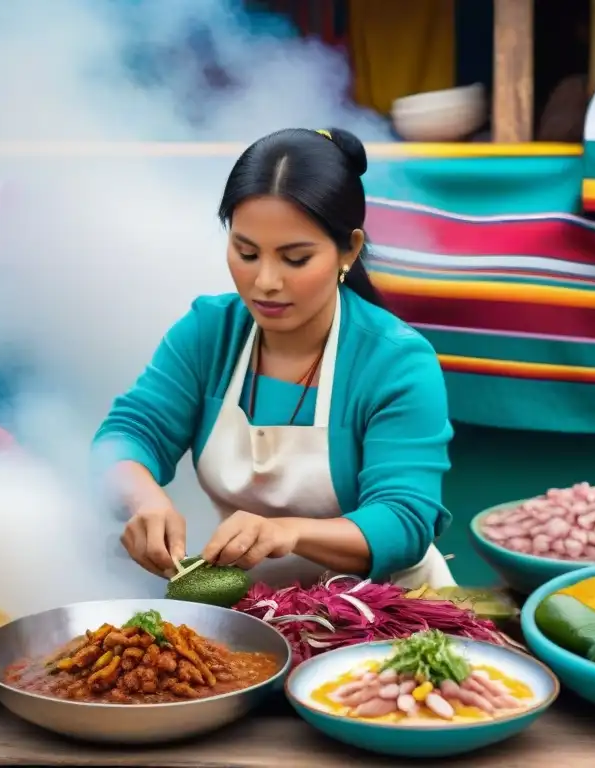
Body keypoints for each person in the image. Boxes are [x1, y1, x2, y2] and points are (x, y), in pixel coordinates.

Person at [93, 127, 456, 589]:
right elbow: (127, 435)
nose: (264, 281)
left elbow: (404, 520)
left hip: (386, 615)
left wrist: (288, 531)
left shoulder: (397, 363)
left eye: (295, 259)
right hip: (260, 611)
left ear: (350, 249)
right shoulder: (210, 332)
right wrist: (144, 501)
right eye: (246, 252)